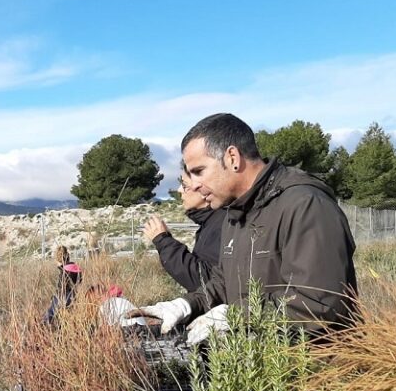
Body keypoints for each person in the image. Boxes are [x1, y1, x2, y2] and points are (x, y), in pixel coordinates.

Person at [134, 113, 357, 343]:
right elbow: (223, 282)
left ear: (232, 157)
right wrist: (186, 305)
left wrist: (237, 315)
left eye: (199, 171)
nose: (195, 185)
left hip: (312, 370)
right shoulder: (235, 213)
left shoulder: (305, 205)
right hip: (259, 367)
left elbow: (320, 302)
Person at [142, 172, 226, 292]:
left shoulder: (222, 223)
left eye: (185, 185)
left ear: (203, 190)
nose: (179, 190)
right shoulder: (210, 222)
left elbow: (204, 281)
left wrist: (163, 241)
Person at [44, 245, 82, 324]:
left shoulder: (64, 272)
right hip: (74, 296)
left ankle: (45, 325)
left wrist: (55, 297)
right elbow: (79, 281)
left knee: (49, 314)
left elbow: (62, 288)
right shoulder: (76, 268)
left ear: (58, 259)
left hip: (64, 297)